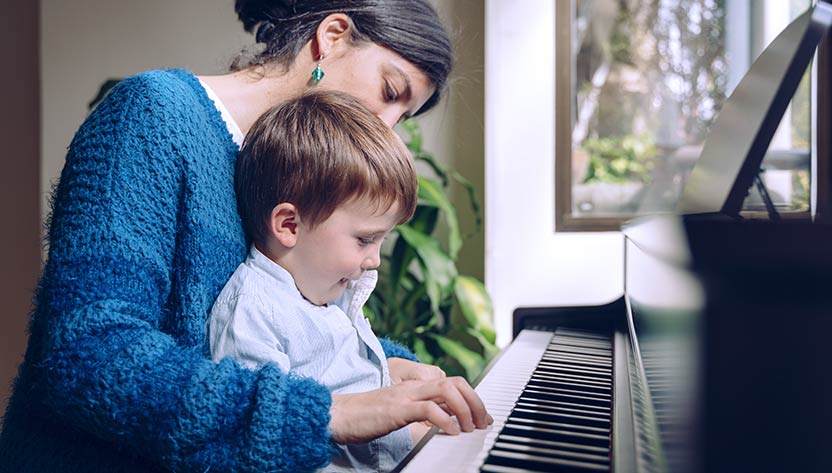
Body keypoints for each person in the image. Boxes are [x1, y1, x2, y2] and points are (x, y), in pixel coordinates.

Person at [0, 1, 492, 472]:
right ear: (333, 38)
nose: (387, 129)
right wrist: (330, 413)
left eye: (404, 118)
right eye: (390, 92)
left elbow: (279, 323)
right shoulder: (151, 116)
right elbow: (89, 356)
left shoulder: (300, 165)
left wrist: (381, 367)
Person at [209, 90, 426, 472]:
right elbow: (263, 439)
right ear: (289, 225)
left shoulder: (325, 288)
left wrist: (392, 375)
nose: (374, 260)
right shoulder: (253, 313)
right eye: (364, 239)